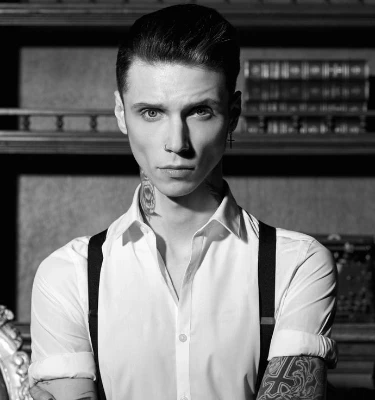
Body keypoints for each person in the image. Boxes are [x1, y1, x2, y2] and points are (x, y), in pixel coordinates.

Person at [28, 4, 338, 400]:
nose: (177, 143)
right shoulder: (67, 275)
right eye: (151, 112)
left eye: (200, 112)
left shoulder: (297, 264)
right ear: (121, 113)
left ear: (233, 114)